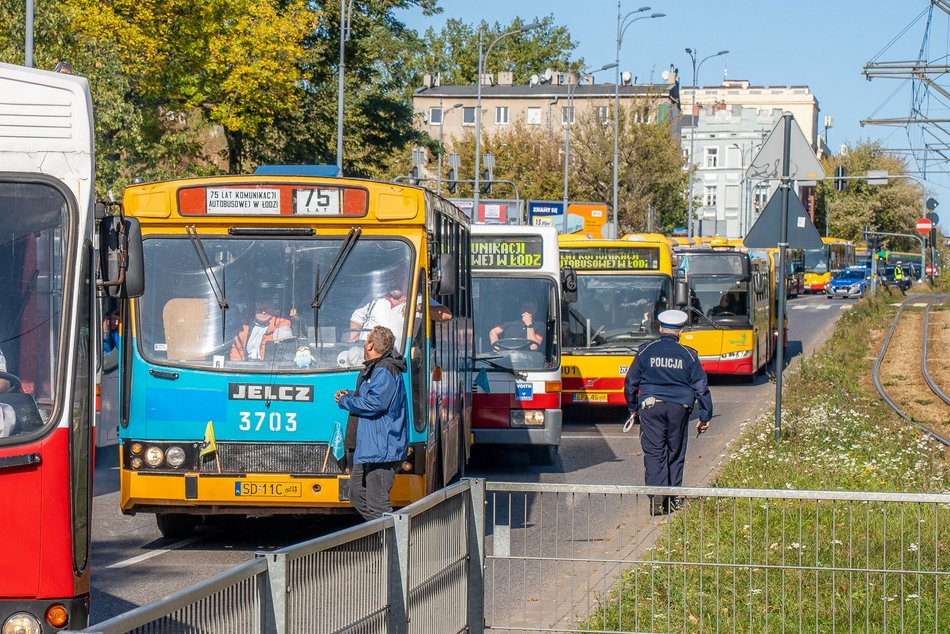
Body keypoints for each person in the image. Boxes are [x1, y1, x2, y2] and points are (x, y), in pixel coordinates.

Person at [624, 309, 713, 516]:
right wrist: (705, 416)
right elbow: (701, 387)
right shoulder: (689, 355)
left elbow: (630, 383)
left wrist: (633, 407)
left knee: (654, 452)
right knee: (675, 452)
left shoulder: (645, 351)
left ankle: (656, 497)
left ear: (661, 328)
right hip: (679, 409)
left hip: (650, 407)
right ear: (680, 331)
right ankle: (671, 500)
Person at [334, 326, 409, 521]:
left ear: (371, 345)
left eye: (366, 339)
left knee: (377, 503)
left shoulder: (384, 369)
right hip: (368, 447)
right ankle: (386, 537)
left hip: (381, 448)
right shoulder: (376, 368)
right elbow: (372, 396)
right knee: (357, 495)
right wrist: (351, 394)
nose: (363, 342)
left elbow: (375, 403)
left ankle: (392, 544)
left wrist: (345, 401)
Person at [348, 279, 408, 345]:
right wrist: (352, 343)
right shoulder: (375, 297)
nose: (395, 283)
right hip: (364, 349)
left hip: (394, 353)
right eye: (394, 277)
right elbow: (357, 319)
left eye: (401, 278)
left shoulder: (416, 301)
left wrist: (417, 307)